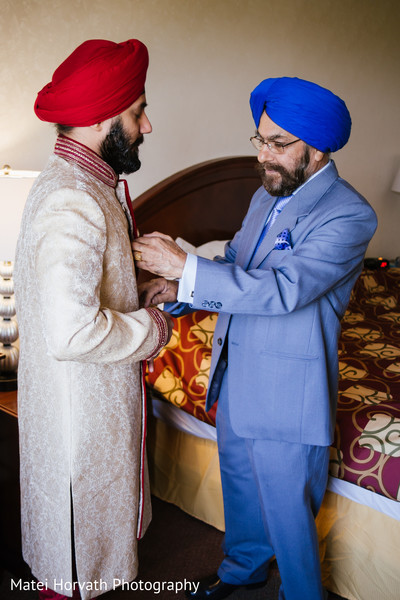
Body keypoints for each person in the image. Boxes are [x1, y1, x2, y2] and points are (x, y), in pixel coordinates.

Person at [132, 77, 377, 600]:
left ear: (317, 149)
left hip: (289, 390)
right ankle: (241, 571)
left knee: (289, 516)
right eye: (259, 139)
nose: (263, 154)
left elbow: (286, 290)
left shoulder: (349, 214)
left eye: (278, 143)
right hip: (235, 373)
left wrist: (187, 265)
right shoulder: (266, 196)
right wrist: (178, 288)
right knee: (242, 492)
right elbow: (237, 268)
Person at [14, 39, 172, 600]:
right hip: (79, 413)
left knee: (84, 550)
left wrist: (140, 287)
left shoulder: (83, 184)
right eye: (137, 111)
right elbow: (73, 329)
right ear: (102, 117)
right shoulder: (73, 198)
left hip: (90, 400)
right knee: (78, 559)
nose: (146, 126)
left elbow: (86, 287)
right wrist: (155, 329)